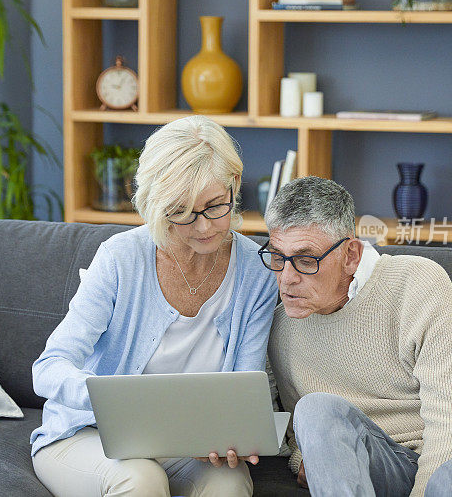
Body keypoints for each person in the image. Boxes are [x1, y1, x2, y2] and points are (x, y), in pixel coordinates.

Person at [261, 175, 452, 497]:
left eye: (305, 260)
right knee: (315, 408)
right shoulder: (279, 322)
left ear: (350, 255)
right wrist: (308, 460)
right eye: (278, 257)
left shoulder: (416, 283)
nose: (287, 279)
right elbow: (305, 429)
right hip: (398, 461)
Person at [30, 115, 278, 497]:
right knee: (141, 479)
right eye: (181, 212)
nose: (204, 227)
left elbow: (245, 386)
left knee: (228, 485)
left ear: (235, 186)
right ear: (158, 206)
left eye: (215, 205)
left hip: (189, 449)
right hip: (90, 436)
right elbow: (48, 368)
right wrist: (117, 403)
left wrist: (232, 436)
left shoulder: (255, 272)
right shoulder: (120, 259)